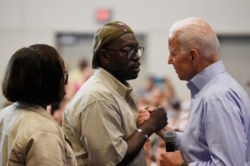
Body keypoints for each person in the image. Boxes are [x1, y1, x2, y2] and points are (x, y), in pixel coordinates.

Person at [62, 20, 167, 166]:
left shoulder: (113, 91)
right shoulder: (98, 97)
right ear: (104, 56)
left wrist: (138, 123)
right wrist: (150, 126)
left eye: (137, 50)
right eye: (128, 51)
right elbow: (112, 162)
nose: (136, 56)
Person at [158, 17, 250, 165]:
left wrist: (181, 165)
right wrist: (160, 129)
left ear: (193, 56)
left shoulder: (217, 98)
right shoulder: (209, 91)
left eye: (173, 53)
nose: (170, 60)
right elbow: (196, 146)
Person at [0, 44, 77, 165]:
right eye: (63, 75)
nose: (66, 82)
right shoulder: (43, 132)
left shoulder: (5, 114)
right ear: (48, 81)